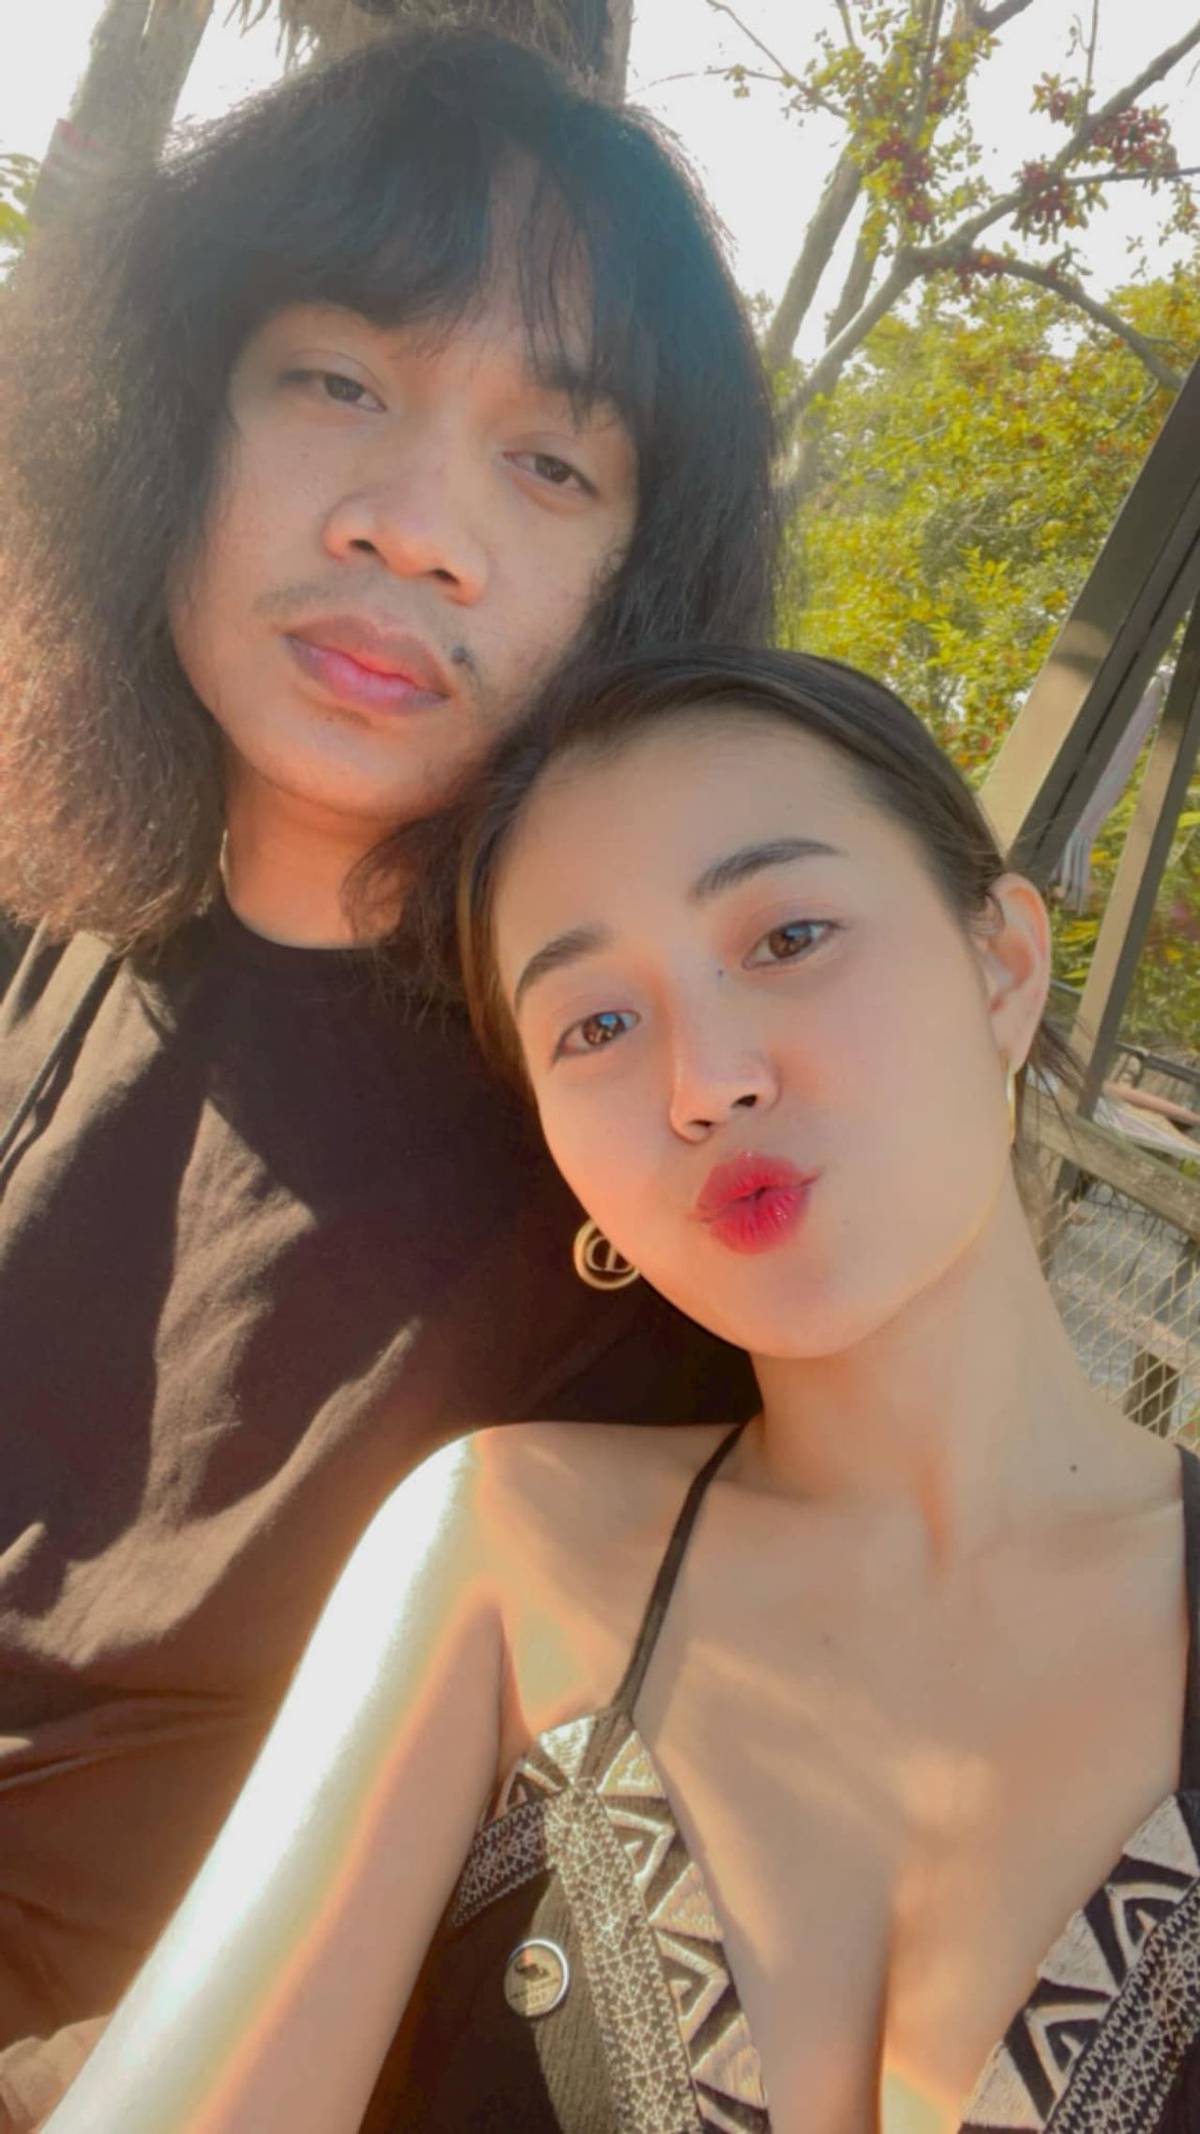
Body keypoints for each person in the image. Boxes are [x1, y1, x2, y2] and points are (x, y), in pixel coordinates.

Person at [41, 645, 1200, 2134]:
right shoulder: (502, 1548)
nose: (704, 1082)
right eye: (594, 1025)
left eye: (787, 935)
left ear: (1004, 967)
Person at [0, 28, 774, 2126]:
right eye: (337, 380)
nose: (417, 529)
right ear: (169, 413)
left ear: (636, 586)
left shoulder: (637, 1173)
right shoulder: (57, 918)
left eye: (552, 465)